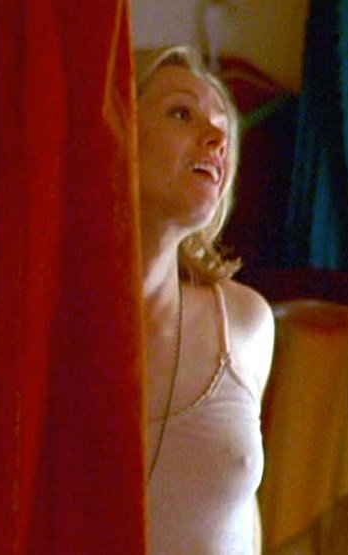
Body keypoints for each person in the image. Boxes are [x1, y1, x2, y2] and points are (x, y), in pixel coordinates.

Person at [135, 44, 276, 554]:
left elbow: (245, 522)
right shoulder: (40, 323)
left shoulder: (245, 324)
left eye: (223, 129)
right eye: (181, 114)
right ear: (116, 132)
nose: (217, 140)